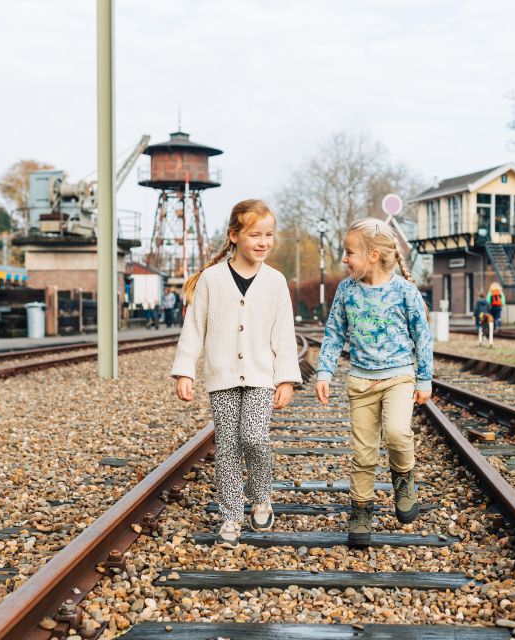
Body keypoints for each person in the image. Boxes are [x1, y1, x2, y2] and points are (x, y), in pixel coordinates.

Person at [171, 199, 302, 548]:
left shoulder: (275, 281)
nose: (263, 242)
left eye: (269, 235)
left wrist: (286, 378)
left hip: (261, 377)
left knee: (254, 437)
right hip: (222, 377)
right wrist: (185, 371)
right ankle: (231, 515)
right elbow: (194, 328)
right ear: (234, 236)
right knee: (228, 446)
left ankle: (261, 495)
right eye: (255, 235)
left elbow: (284, 333)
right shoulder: (212, 280)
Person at [315, 218, 433, 548]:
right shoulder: (346, 290)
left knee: (397, 434)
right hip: (360, 382)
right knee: (363, 453)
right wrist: (325, 372)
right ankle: (361, 510)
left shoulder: (404, 292)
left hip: (398, 377)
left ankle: (404, 478)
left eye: (349, 252)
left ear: (374, 255)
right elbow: (334, 333)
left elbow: (422, 336)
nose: (344, 259)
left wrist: (424, 378)